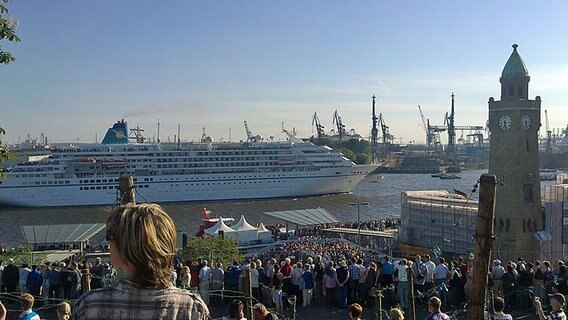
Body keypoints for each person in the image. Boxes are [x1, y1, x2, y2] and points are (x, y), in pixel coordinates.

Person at [71, 203, 210, 320]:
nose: (108, 242)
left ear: (128, 245)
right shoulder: (191, 307)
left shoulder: (90, 305)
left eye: (111, 235)